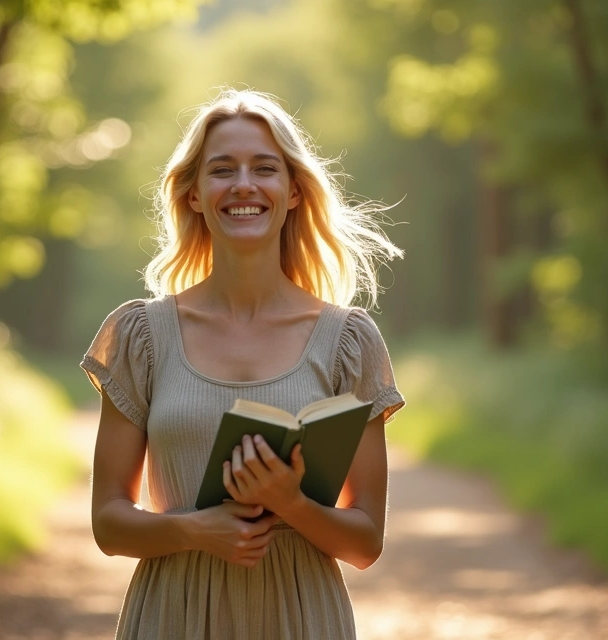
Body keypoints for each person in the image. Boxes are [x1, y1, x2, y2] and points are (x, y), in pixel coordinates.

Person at [80, 89, 405, 640]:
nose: (243, 185)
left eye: (264, 168)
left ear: (294, 191)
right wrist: (194, 531)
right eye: (222, 170)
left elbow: (365, 542)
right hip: (173, 619)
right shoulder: (142, 335)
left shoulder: (350, 340)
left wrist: (290, 503)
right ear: (194, 195)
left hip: (302, 620)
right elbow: (109, 523)